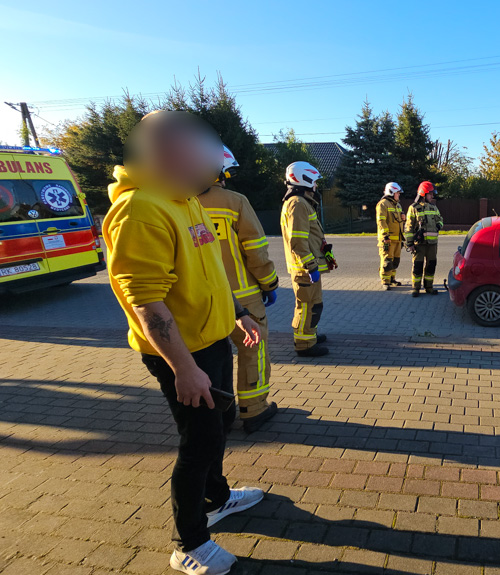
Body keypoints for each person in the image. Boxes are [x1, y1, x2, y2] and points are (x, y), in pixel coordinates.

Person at [102, 111, 264, 575]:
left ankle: (218, 499)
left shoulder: (185, 199)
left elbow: (207, 273)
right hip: (181, 355)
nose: (214, 172)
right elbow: (147, 303)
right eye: (204, 158)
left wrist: (233, 318)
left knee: (224, 417)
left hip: (210, 342)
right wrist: (184, 368)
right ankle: (189, 541)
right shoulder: (140, 209)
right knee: (199, 440)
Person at [198, 145, 279, 433]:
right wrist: (269, 283)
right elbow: (256, 251)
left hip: (199, 301)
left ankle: (218, 415)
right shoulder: (235, 202)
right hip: (243, 299)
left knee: (210, 357)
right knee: (252, 351)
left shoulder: (174, 204)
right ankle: (254, 409)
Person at [281, 161, 335, 357]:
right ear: (305, 179)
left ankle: (309, 334)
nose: (316, 186)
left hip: (308, 268)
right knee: (306, 306)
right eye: (314, 181)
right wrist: (311, 266)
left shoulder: (301, 203)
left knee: (314, 304)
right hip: (305, 270)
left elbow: (310, 237)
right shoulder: (298, 204)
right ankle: (304, 345)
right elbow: (298, 241)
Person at [404, 181, 443, 297]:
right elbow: (409, 227)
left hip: (432, 244)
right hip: (419, 244)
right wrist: (410, 243)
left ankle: (429, 287)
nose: (432, 196)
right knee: (418, 266)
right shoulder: (413, 208)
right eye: (430, 194)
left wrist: (438, 225)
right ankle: (415, 288)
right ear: (423, 194)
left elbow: (440, 219)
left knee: (431, 265)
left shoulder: (434, 207)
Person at [376, 182, 404, 290]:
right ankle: (385, 281)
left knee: (395, 260)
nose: (399, 195)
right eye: (397, 193)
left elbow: (398, 221)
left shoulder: (398, 205)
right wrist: (385, 236)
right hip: (387, 239)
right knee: (387, 261)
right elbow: (381, 221)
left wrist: (403, 218)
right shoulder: (383, 204)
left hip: (397, 239)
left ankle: (392, 279)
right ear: (391, 192)